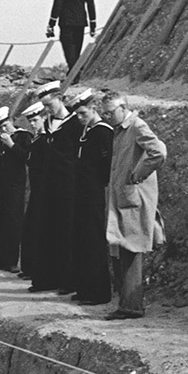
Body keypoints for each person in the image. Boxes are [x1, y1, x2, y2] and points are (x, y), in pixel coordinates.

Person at [100, 90, 167, 320]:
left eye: (110, 112)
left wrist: (138, 175)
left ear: (122, 108)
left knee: (131, 251)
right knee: (120, 250)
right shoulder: (120, 130)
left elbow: (158, 152)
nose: (107, 117)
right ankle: (126, 304)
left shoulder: (137, 126)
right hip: (121, 198)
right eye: (104, 113)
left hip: (132, 200)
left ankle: (131, 307)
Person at [29, 82, 78, 293]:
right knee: (47, 232)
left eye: (49, 104)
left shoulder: (74, 123)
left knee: (66, 233)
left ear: (60, 98)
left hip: (67, 186)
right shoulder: (48, 124)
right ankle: (46, 278)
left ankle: (67, 281)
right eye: (44, 106)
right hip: (47, 186)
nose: (47, 109)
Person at [70, 89, 114, 305]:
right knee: (82, 240)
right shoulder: (87, 131)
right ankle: (85, 287)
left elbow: (106, 166)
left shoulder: (102, 131)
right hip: (82, 192)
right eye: (77, 114)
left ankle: (98, 292)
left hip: (94, 193)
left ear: (94, 109)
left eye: (83, 113)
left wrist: (99, 185)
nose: (79, 118)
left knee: (93, 241)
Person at [0, 106, 30, 272]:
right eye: (0, 127)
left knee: (12, 221)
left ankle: (11, 261)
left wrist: (11, 144)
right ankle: (0, 259)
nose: (4, 130)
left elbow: (25, 157)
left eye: (6, 125)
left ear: (12, 121)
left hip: (15, 185)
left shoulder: (24, 136)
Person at [47, 0, 97, 68]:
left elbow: (57, 3)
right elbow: (90, 5)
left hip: (66, 21)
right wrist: (93, 25)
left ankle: (73, 72)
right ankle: (75, 73)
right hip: (80, 21)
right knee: (77, 47)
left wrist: (51, 24)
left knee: (68, 48)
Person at [18, 102, 48, 281]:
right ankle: (29, 268)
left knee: (37, 229)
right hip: (36, 188)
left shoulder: (45, 140)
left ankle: (36, 269)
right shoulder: (37, 139)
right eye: (31, 122)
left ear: (44, 118)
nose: (34, 125)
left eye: (36, 120)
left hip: (43, 189)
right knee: (30, 228)